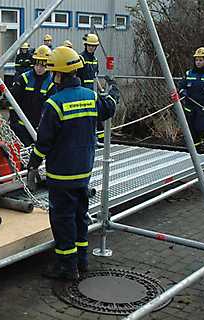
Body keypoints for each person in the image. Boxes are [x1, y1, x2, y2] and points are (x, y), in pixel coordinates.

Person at [26, 46, 119, 282]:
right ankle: (82, 259)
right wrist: (114, 89)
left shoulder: (54, 104)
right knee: (80, 215)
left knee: (62, 219)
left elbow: (44, 142)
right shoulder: (90, 96)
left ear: (58, 75)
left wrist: (33, 163)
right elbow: (109, 108)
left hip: (61, 174)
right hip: (83, 171)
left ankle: (67, 267)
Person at [9, 45, 55, 146]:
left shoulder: (52, 83)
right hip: (21, 128)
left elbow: (50, 110)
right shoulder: (24, 79)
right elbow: (13, 101)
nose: (39, 68)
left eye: (43, 65)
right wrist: (14, 122)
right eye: (37, 64)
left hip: (40, 129)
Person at [179, 47, 204, 155]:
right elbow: (181, 85)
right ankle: (195, 153)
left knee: (203, 129)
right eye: (196, 60)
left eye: (200, 60)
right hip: (190, 108)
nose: (198, 62)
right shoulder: (189, 73)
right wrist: (183, 91)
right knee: (191, 131)